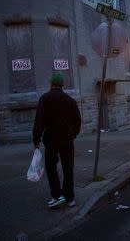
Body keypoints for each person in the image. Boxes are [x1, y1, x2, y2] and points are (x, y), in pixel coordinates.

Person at [33, 73, 81, 209]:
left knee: (51, 167)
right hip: (67, 140)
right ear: (62, 85)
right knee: (68, 168)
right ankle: (69, 198)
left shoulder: (45, 99)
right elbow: (78, 120)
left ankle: (57, 195)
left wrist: (36, 140)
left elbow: (39, 122)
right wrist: (73, 134)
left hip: (51, 139)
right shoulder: (70, 100)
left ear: (51, 84)